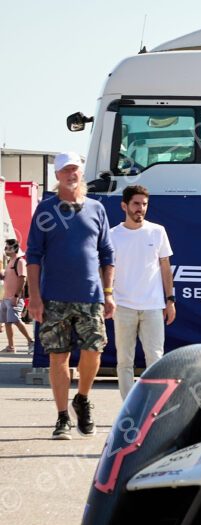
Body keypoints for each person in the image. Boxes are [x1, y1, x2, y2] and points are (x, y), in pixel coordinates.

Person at [25, 152, 115, 440]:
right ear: (57, 176)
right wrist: (35, 298)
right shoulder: (45, 210)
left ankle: (83, 398)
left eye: (75, 169)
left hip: (91, 295)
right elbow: (34, 256)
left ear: (81, 173)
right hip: (54, 297)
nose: (71, 174)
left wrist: (109, 292)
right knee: (58, 357)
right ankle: (63, 417)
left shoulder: (97, 209)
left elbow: (107, 253)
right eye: (66, 170)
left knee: (94, 351)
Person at [110, 185, 175, 399]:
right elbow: (107, 270)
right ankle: (129, 409)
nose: (141, 208)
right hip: (123, 306)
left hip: (153, 306)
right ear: (124, 205)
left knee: (156, 360)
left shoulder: (158, 231)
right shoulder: (113, 235)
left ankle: (152, 408)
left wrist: (170, 300)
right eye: (136, 204)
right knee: (124, 361)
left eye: (144, 204)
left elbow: (165, 267)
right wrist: (107, 296)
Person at [2, 239, 34, 353]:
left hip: (14, 297)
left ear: (15, 248)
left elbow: (22, 278)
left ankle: (31, 341)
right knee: (7, 322)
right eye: (5, 248)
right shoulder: (10, 261)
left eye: (8, 248)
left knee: (16, 320)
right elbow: (8, 277)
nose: (6, 250)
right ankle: (11, 347)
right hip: (6, 297)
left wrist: (16, 296)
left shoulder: (20, 261)